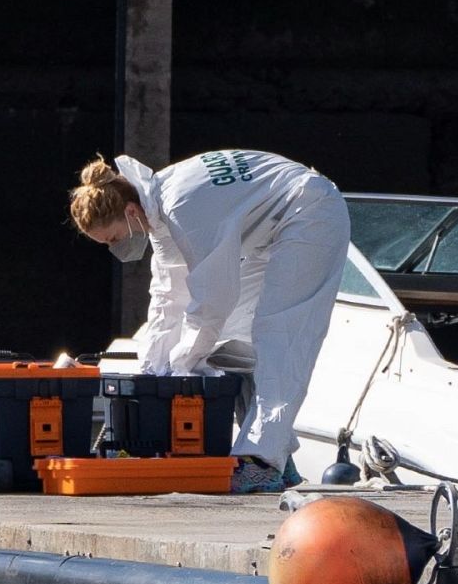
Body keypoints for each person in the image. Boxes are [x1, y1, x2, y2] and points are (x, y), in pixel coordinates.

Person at [68, 150, 351, 494]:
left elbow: (213, 298)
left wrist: (183, 362)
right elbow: (169, 293)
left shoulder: (181, 207)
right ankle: (279, 453)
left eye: (114, 238)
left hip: (311, 214)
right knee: (233, 341)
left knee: (281, 334)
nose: (120, 247)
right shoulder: (158, 206)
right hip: (274, 225)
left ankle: (263, 461)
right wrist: (153, 372)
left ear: (129, 212)